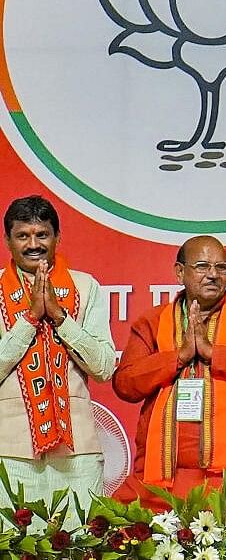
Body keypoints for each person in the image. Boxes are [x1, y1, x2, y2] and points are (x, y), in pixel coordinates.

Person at [112, 236, 226, 508]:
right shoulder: (153, 321)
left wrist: (212, 353)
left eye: (221, 268)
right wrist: (178, 357)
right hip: (160, 478)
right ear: (180, 272)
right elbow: (125, 383)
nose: (213, 275)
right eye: (203, 266)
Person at [0, 196, 115, 518]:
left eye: (42, 234)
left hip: (77, 451)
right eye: (23, 236)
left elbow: (104, 367)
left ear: (57, 238)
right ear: (8, 240)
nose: (33, 244)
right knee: (16, 549)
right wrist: (31, 319)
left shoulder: (85, 287)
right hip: (10, 451)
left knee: (81, 546)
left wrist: (62, 319)